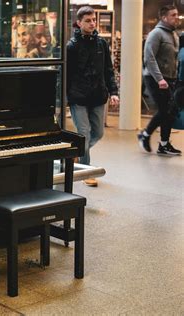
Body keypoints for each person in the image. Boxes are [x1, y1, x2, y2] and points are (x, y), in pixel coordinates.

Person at [67, 6, 119, 187]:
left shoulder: (102, 44)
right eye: (88, 20)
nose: (92, 23)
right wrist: (64, 99)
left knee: (98, 133)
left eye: (94, 20)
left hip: (97, 96)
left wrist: (114, 92)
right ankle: (86, 171)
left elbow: (108, 71)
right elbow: (67, 74)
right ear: (79, 22)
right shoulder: (72, 46)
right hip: (78, 97)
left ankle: (76, 153)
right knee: (84, 134)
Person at [138, 5, 182, 155]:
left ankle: (164, 144)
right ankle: (144, 135)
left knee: (170, 111)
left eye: (177, 15)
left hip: (170, 78)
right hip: (154, 78)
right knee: (165, 110)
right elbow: (149, 58)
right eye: (173, 15)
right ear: (164, 17)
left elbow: (174, 60)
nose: (177, 17)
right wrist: (159, 79)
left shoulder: (174, 35)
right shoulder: (156, 34)